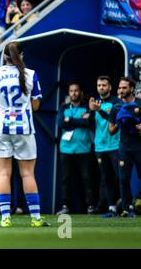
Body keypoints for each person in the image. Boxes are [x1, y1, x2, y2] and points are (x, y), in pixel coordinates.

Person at [0, 41, 49, 227]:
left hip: (1, 127)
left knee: (3, 173)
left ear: (4, 57)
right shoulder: (31, 75)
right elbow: (36, 105)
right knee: (27, 174)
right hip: (24, 127)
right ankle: (35, 218)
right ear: (22, 55)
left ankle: (5, 218)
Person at [56, 82, 96, 215]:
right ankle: (66, 206)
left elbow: (89, 121)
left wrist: (71, 120)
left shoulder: (87, 107)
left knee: (87, 178)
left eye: (76, 90)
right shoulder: (64, 107)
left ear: (81, 92)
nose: (74, 93)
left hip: (84, 148)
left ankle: (90, 206)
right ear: (69, 93)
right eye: (71, 91)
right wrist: (79, 120)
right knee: (66, 179)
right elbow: (61, 122)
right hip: (66, 149)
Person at [109, 77, 141, 217]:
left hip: (139, 146)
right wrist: (120, 121)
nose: (121, 91)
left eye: (124, 88)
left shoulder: (140, 103)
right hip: (124, 147)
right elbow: (111, 130)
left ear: (132, 89)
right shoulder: (116, 107)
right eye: (120, 88)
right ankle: (126, 209)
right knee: (123, 178)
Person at [89, 76, 121, 217]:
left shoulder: (116, 102)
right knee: (106, 177)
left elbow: (113, 118)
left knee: (120, 177)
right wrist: (91, 111)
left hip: (115, 145)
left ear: (110, 87)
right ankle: (111, 207)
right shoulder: (95, 102)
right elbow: (89, 123)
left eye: (103, 85)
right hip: (100, 147)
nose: (101, 87)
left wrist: (99, 110)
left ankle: (124, 205)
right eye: (99, 85)